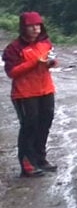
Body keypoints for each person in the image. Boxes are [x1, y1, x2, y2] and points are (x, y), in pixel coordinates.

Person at [3, 11, 58, 177]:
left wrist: (51, 62)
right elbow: (12, 72)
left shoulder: (45, 42)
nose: (35, 29)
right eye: (31, 26)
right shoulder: (13, 48)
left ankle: (40, 159)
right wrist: (34, 62)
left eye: (38, 25)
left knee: (44, 124)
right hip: (24, 93)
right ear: (23, 28)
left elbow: (51, 60)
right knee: (29, 126)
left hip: (46, 89)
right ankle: (27, 164)